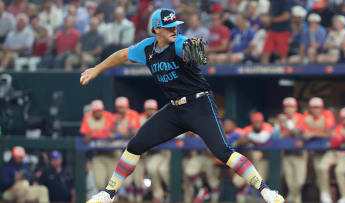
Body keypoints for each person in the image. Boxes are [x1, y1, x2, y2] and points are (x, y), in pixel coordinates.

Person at [82, 8, 284, 203]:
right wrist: (96, 69)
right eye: (169, 27)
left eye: (175, 25)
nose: (174, 29)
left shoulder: (179, 43)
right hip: (175, 108)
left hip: (199, 104)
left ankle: (265, 190)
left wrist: (192, 50)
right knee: (134, 146)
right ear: (156, 29)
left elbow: (189, 46)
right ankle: (108, 193)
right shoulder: (146, 48)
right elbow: (121, 55)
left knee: (223, 151)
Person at [278, 97, 306, 203]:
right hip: (287, 153)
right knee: (290, 182)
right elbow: (279, 136)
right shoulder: (281, 119)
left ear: (295, 108)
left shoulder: (301, 118)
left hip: (300, 153)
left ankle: (290, 198)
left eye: (291, 107)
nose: (289, 109)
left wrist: (287, 124)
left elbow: (297, 133)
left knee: (299, 182)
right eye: (287, 107)